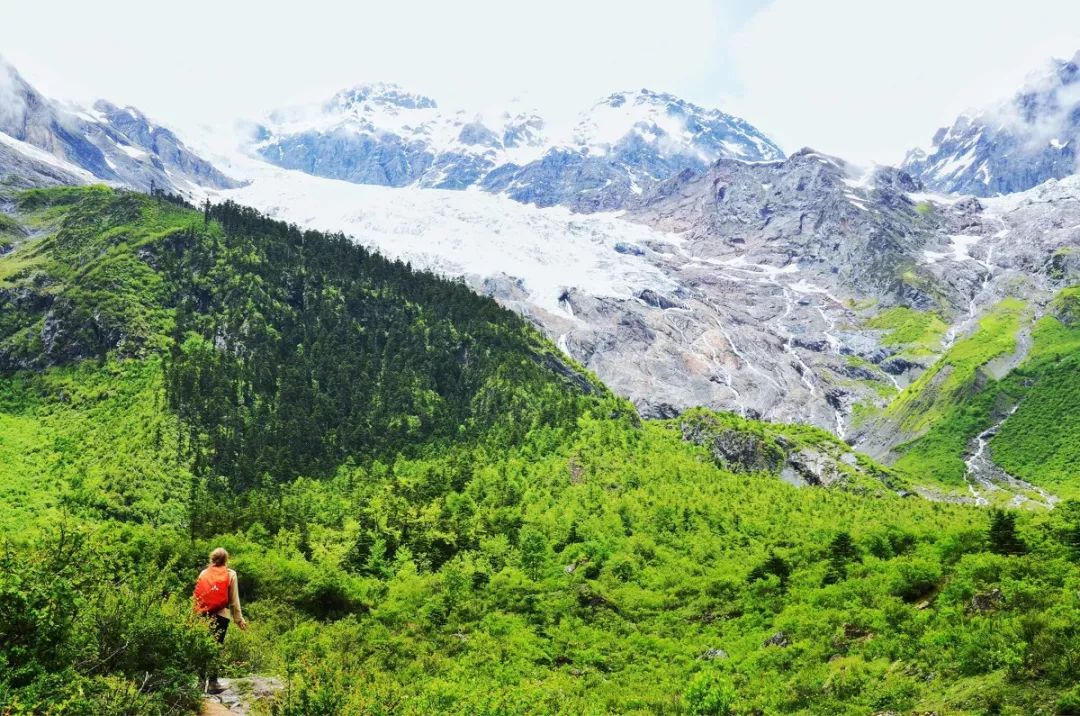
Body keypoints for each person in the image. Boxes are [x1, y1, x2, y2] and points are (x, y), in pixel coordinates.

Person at [193, 547, 247, 694]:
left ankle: (200, 682)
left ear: (212, 558)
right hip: (221, 616)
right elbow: (234, 601)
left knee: (202, 646)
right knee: (216, 648)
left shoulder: (204, 573)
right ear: (226, 559)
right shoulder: (230, 574)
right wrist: (239, 619)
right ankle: (213, 683)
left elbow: (197, 596)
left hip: (202, 615)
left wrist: (193, 616)